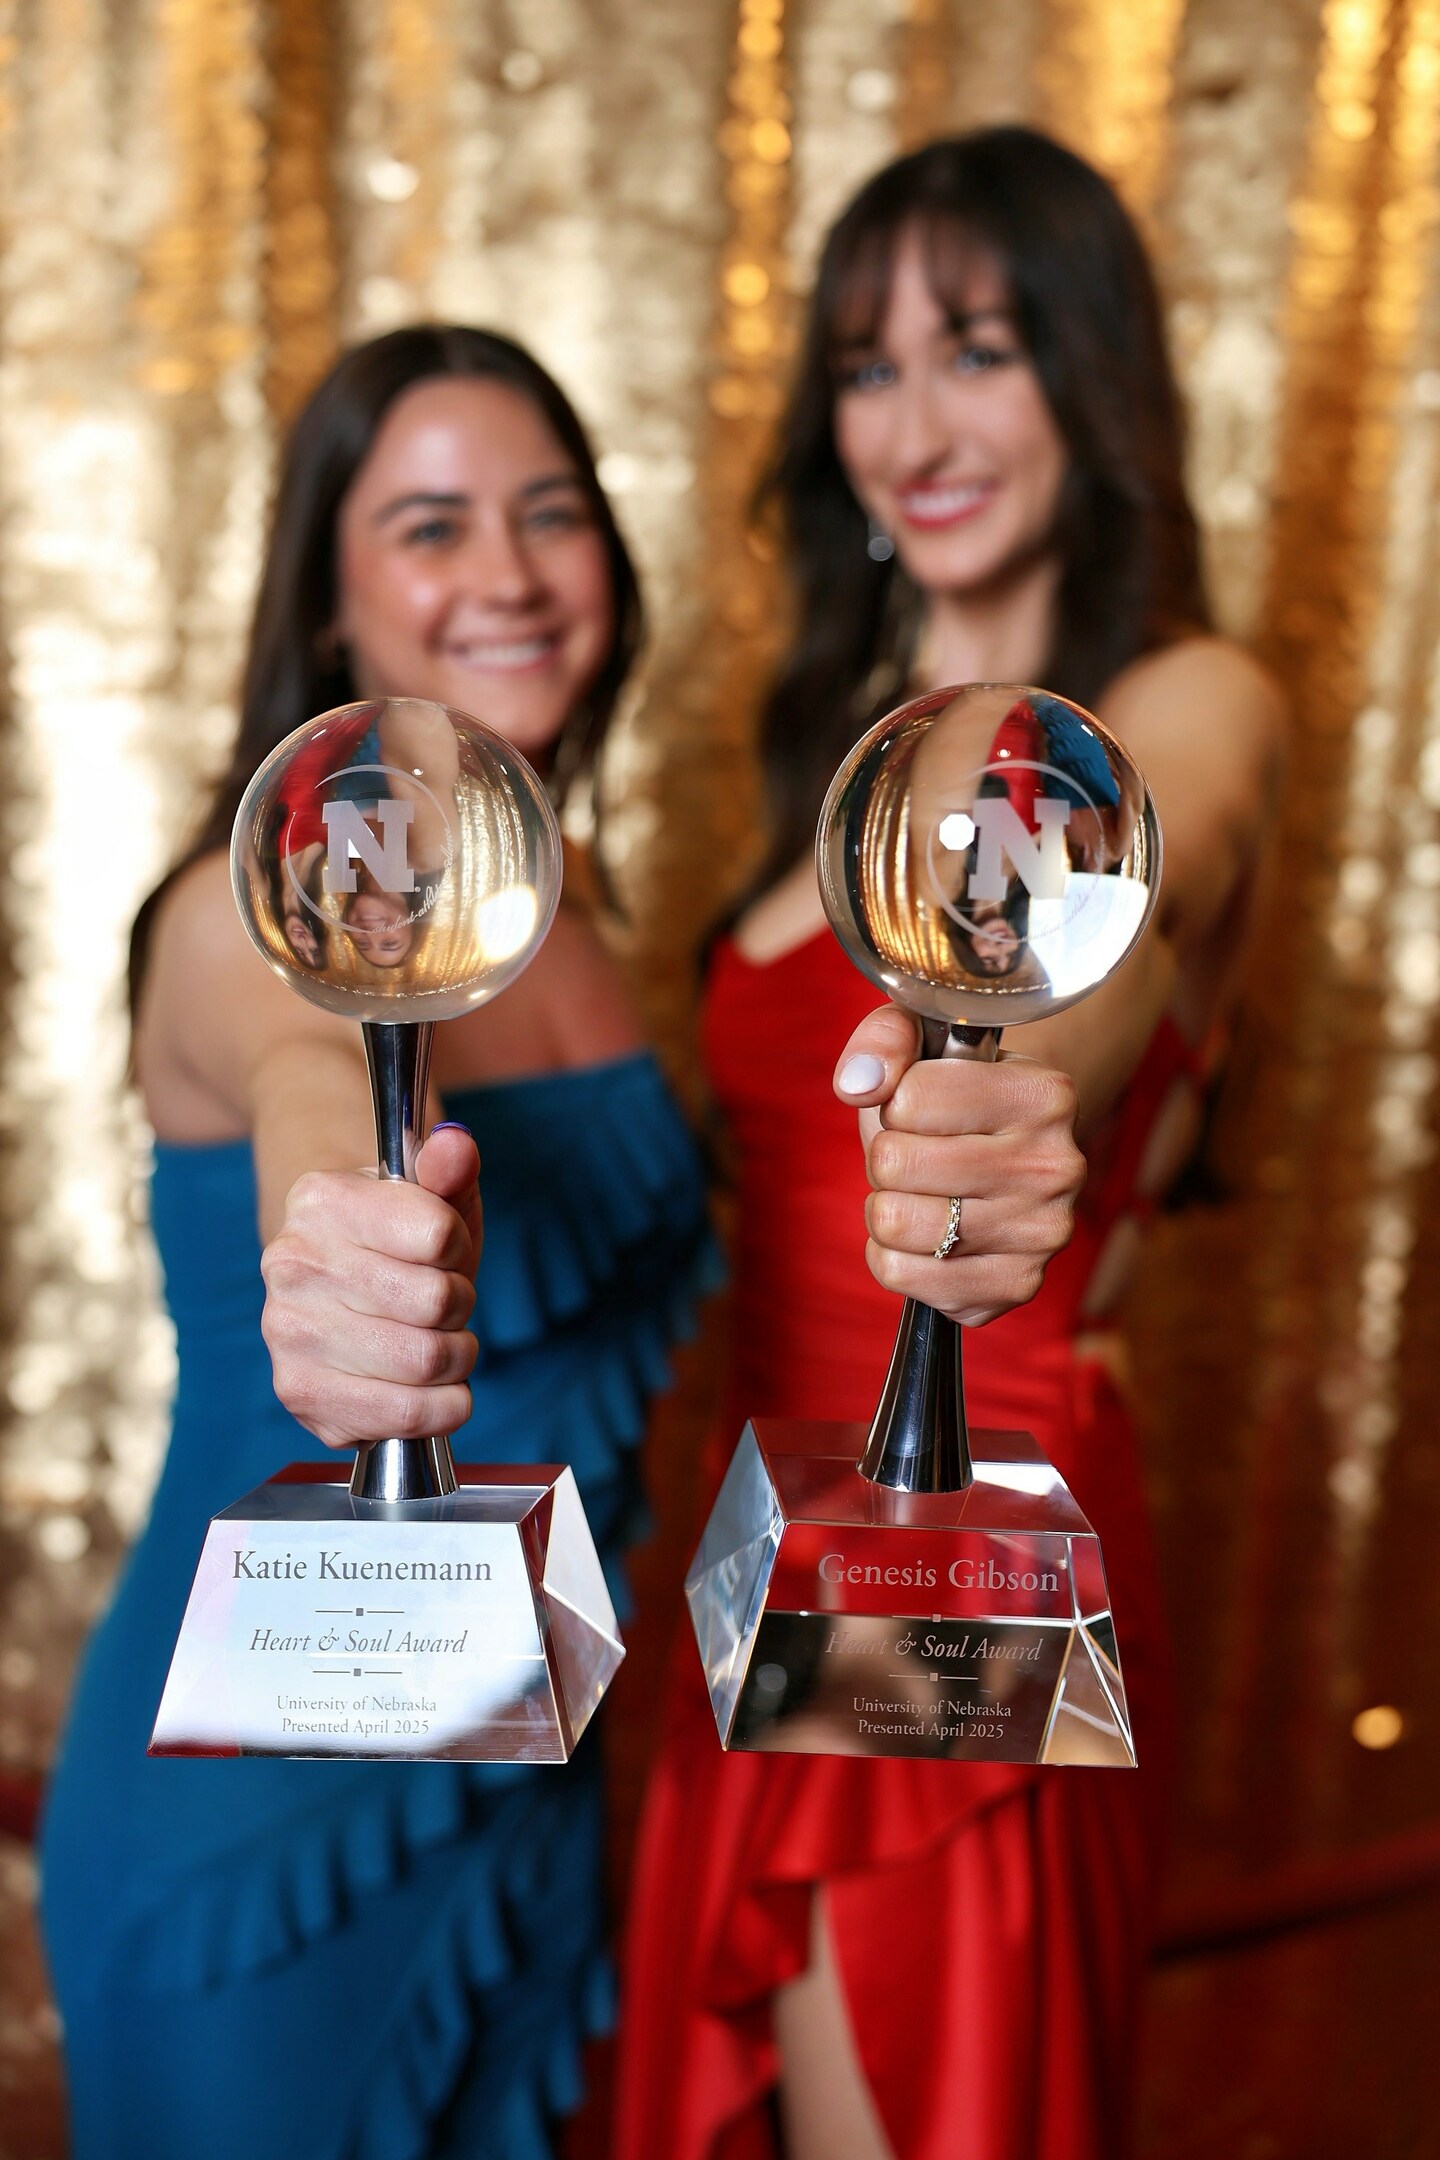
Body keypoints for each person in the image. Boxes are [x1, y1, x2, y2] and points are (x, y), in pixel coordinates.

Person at [608, 128, 1284, 2160]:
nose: (914, 425)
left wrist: (1011, 1075)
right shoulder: (832, 740)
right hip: (763, 1540)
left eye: (978, 348)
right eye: (868, 367)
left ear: (1092, 374)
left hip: (976, 1541)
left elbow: (1133, 889)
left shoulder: (1190, 703)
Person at [38, 323, 721, 2160]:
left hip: (528, 1764)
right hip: (263, 1808)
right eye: (431, 527)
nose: (509, 573)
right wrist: (345, 1239)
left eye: (550, 514)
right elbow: (313, 1073)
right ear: (331, 609)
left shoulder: (581, 915)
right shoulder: (227, 917)